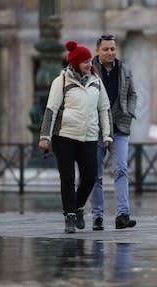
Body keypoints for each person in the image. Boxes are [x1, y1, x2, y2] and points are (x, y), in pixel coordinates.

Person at [38, 40, 113, 233]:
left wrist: (107, 135)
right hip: (64, 136)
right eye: (85, 61)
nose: (89, 64)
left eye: (90, 61)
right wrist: (45, 136)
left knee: (90, 176)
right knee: (68, 178)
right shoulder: (61, 81)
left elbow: (104, 109)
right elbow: (51, 110)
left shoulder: (96, 81)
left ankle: (78, 207)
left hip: (89, 136)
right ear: (75, 63)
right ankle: (69, 215)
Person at [89, 34, 137, 231]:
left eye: (113, 49)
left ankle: (123, 215)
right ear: (98, 51)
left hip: (119, 127)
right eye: (106, 49)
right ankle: (97, 217)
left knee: (121, 169)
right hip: (95, 128)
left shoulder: (124, 69)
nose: (110, 52)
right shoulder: (89, 70)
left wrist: (130, 112)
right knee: (95, 175)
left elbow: (132, 93)